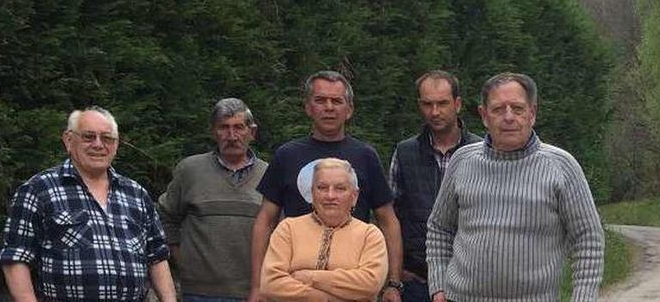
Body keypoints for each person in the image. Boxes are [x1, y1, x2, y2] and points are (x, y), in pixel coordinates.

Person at [427, 73, 604, 302]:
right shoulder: (462, 161)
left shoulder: (562, 166)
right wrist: (438, 285)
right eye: (498, 109)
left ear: (532, 113)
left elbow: (588, 239)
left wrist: (583, 298)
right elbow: (440, 228)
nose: (508, 117)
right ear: (483, 115)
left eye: (517, 109)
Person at [249, 70, 403, 302]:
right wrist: (257, 286)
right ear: (308, 107)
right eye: (320, 100)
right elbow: (265, 220)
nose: (329, 107)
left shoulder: (365, 156)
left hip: (350, 282)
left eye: (336, 101)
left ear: (349, 109)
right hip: (293, 287)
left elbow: (388, 220)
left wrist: (393, 282)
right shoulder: (287, 155)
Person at [0, 106, 177, 302]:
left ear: (116, 145)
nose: (98, 145)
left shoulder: (136, 194)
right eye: (89, 137)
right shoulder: (39, 190)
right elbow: (16, 257)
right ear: (68, 140)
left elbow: (157, 257)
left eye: (107, 138)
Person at [158, 98, 269, 301]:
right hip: (198, 293)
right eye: (224, 128)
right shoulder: (190, 170)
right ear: (213, 132)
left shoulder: (270, 175)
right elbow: (165, 218)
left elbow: (282, 231)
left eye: (239, 127)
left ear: (251, 132)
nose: (232, 136)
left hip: (253, 293)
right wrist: (182, 260)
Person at [388, 70, 481, 301]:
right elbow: (390, 217)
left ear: (457, 104)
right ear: (420, 105)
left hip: (470, 281)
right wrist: (394, 277)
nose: (435, 112)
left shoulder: (482, 153)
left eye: (442, 103)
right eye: (428, 104)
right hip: (416, 280)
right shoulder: (404, 152)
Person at [260, 158, 388, 301]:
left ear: (354, 196)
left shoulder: (369, 235)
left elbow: (370, 284)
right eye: (322, 188)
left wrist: (310, 277)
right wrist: (320, 297)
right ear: (312, 193)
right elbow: (270, 283)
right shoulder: (288, 228)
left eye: (340, 189)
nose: (330, 196)